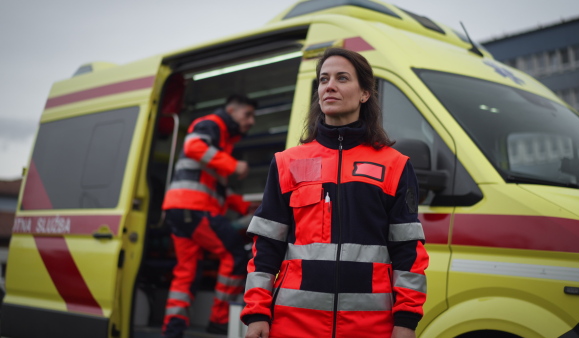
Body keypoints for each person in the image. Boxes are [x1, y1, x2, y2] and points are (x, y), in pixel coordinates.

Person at [241, 48, 429, 338]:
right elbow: (266, 247)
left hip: (370, 328)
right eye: (323, 79)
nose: (329, 86)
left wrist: (405, 322)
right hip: (293, 326)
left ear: (365, 93)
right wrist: (256, 313)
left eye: (342, 78)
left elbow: (408, 253)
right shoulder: (287, 163)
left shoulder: (395, 165)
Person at [162, 94, 257, 337]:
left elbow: (216, 189)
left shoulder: (223, 141)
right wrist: (233, 165)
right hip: (192, 208)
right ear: (231, 111)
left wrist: (245, 205)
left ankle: (173, 330)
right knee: (235, 253)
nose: (252, 121)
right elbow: (193, 146)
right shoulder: (213, 124)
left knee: (187, 272)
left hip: (181, 210)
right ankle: (218, 321)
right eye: (247, 115)